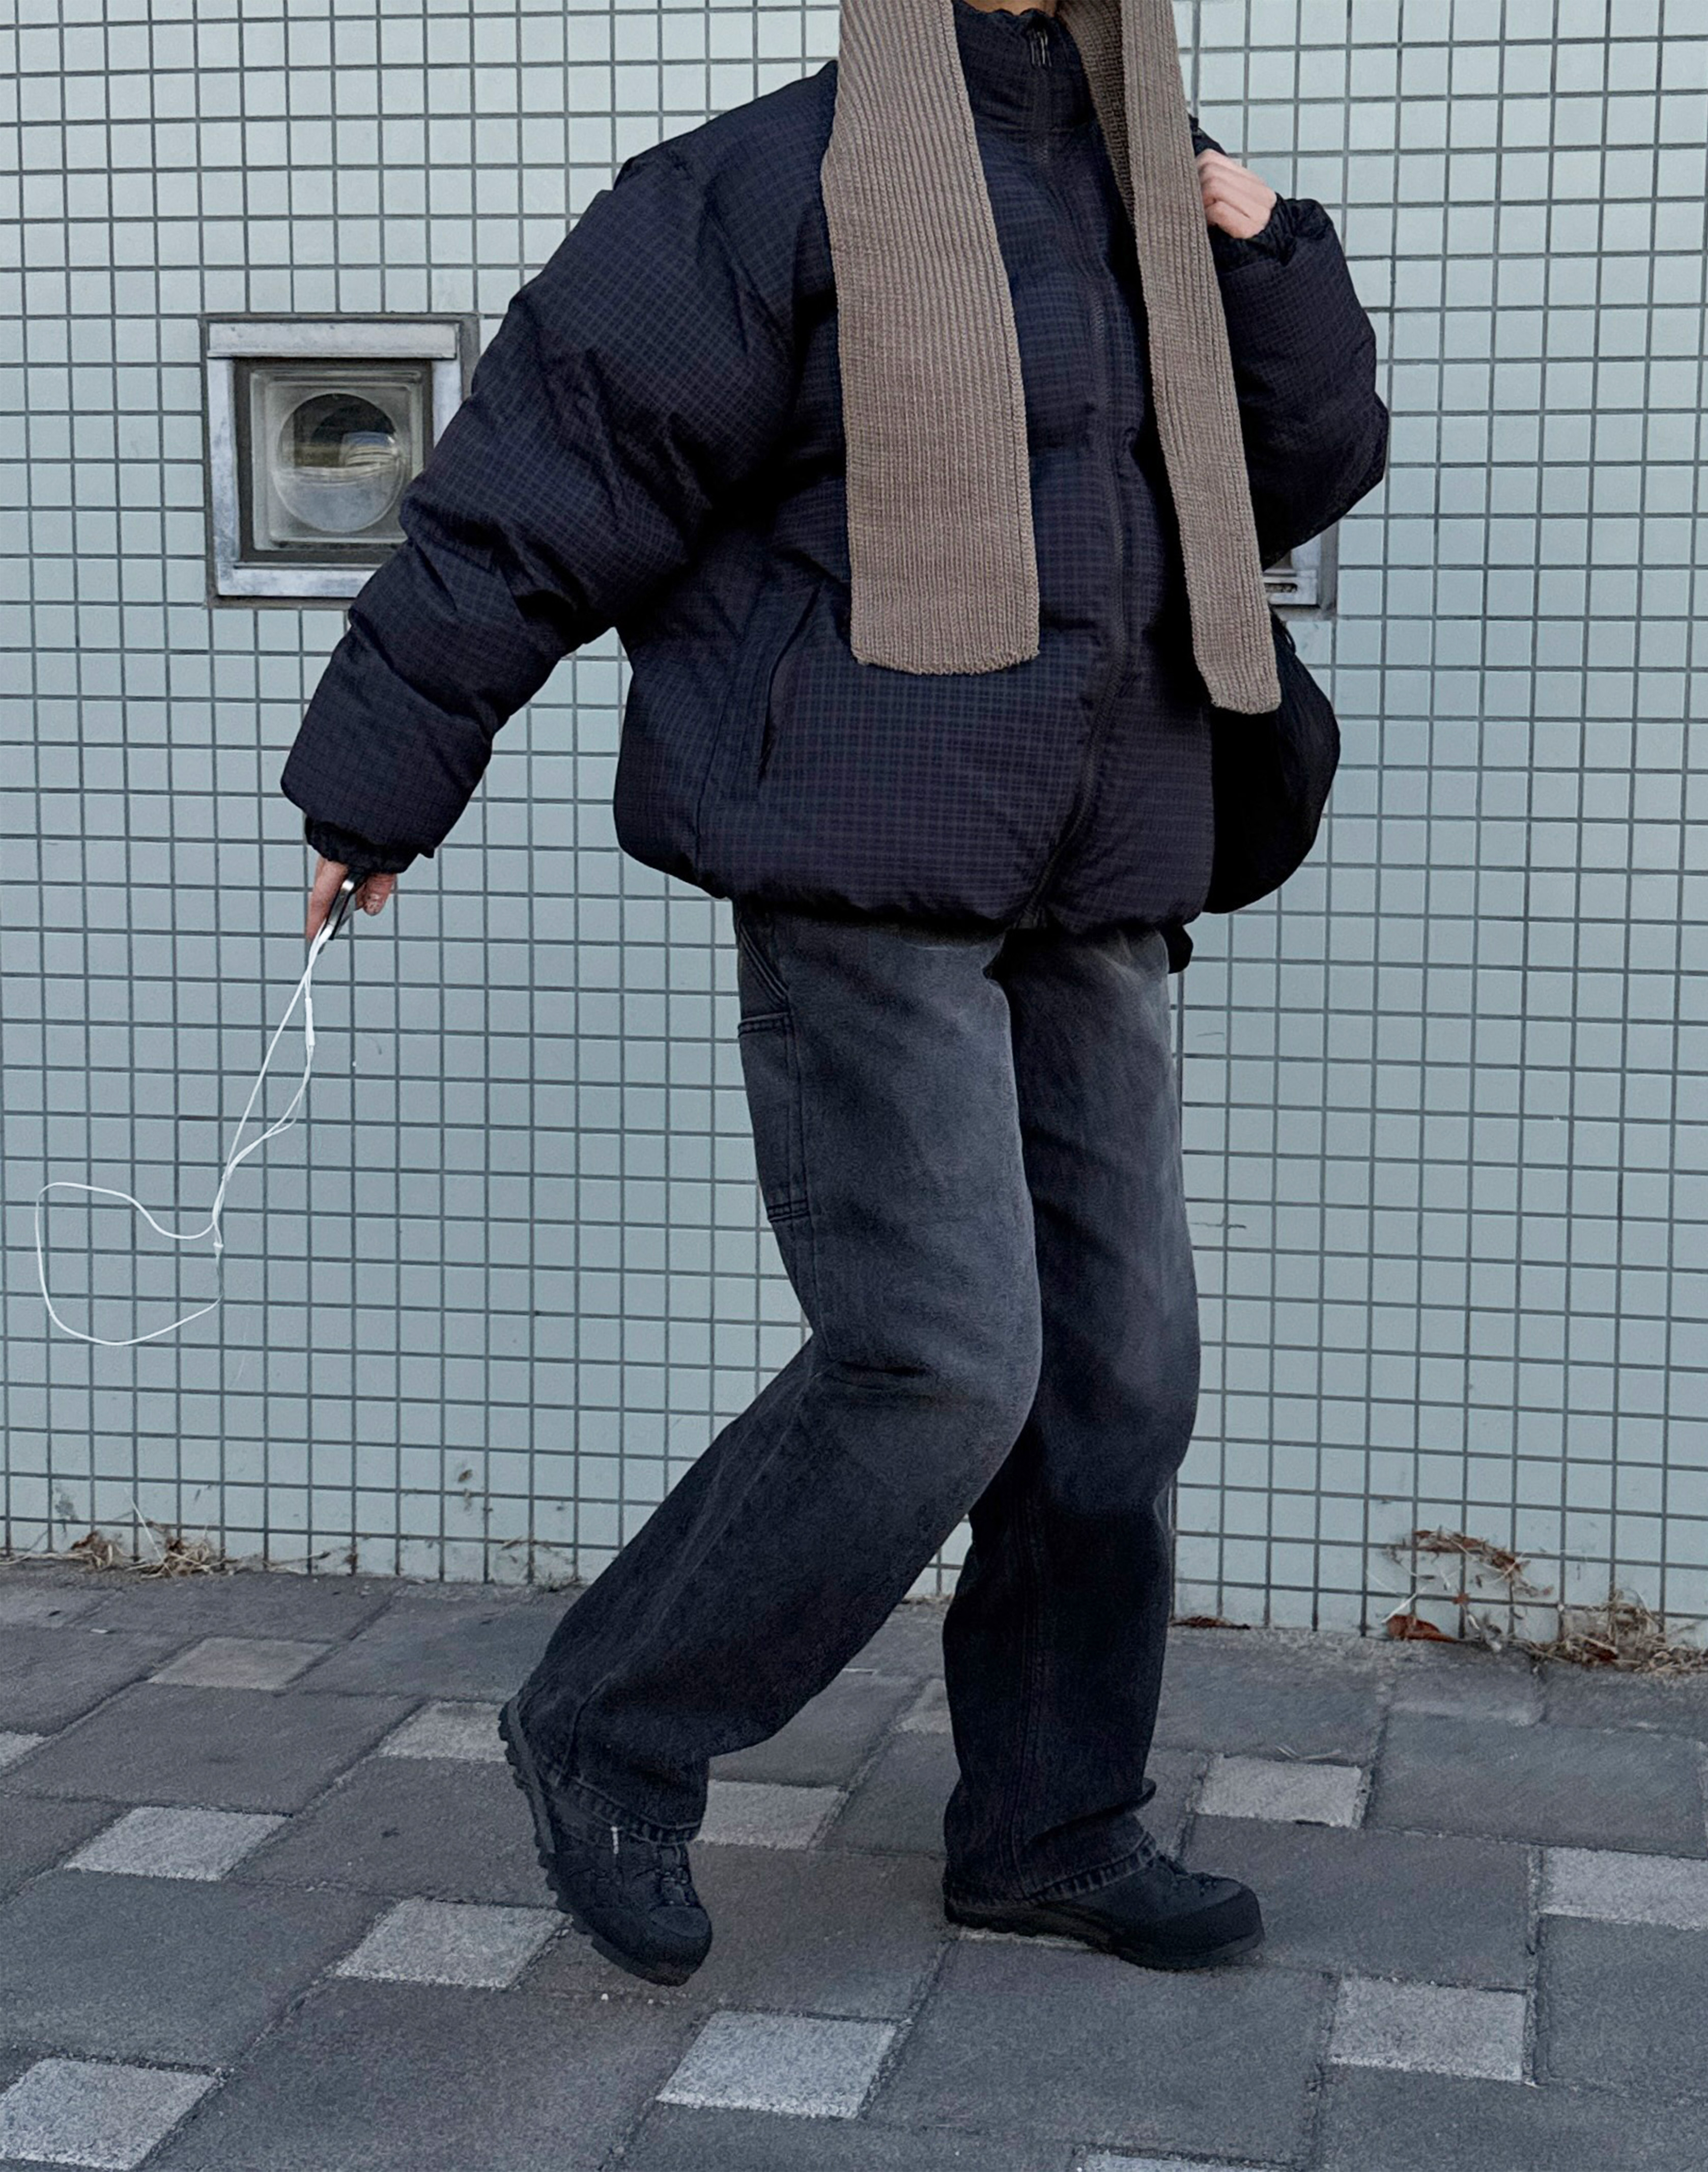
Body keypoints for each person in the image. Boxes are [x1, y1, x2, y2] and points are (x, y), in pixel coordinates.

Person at [283, 0, 1387, 1987]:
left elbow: (1286, 481)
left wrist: (1269, 258)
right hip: (866, 855)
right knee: (941, 1357)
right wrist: (381, 776)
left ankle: (1050, 1823)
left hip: (1105, 863)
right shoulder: (768, 182)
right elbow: (548, 472)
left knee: (1119, 1375)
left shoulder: (1154, 182)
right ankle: (611, 1721)